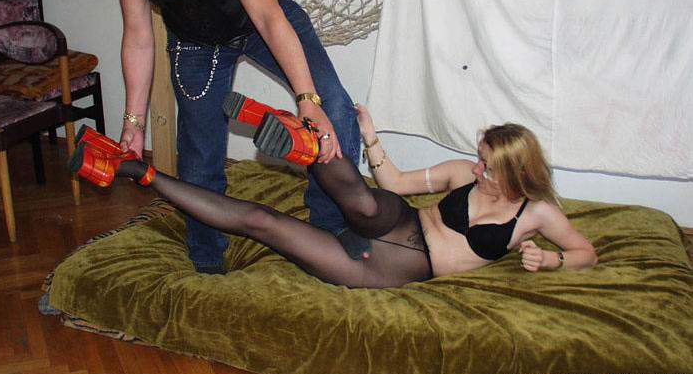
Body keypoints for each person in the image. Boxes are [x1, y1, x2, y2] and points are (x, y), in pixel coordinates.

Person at [107, 0, 365, 274]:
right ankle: (207, 255)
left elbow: (269, 18)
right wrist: (133, 125)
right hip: (197, 40)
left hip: (263, 22)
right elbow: (137, 37)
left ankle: (331, 228)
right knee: (199, 153)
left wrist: (307, 99)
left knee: (333, 108)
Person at [68, 95, 597, 288]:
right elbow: (395, 184)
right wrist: (370, 137)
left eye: (487, 167)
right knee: (364, 201)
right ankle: (305, 144)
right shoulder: (461, 172)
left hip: (393, 268)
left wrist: (550, 261)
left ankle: (137, 172)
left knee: (263, 222)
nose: (476, 169)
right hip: (398, 220)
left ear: (515, 172)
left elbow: (585, 253)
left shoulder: (539, 214)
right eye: (478, 159)